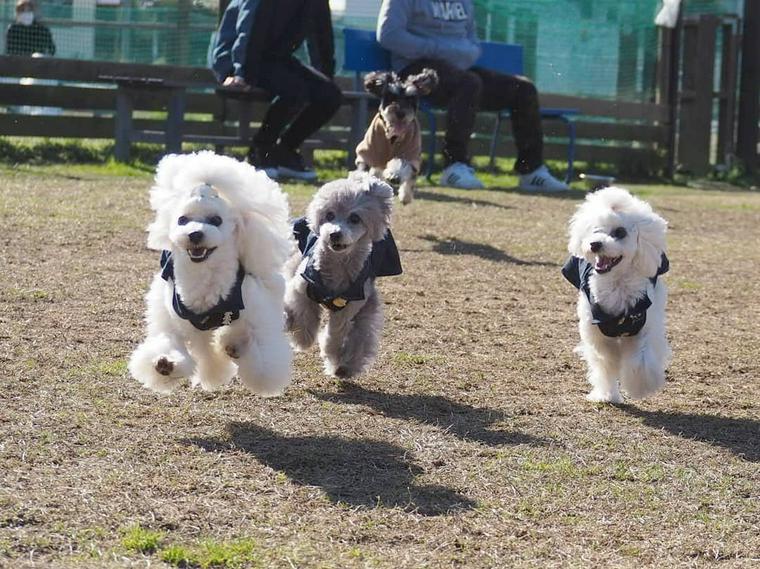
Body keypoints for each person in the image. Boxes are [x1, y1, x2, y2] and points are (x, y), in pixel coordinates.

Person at [377, 0, 569, 191]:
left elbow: (472, 44)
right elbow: (389, 35)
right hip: (414, 74)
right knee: (468, 83)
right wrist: (439, 49)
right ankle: (454, 166)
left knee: (523, 89)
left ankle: (532, 171)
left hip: (459, 70)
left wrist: (458, 54)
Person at [211, 0, 342, 182]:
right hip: (235, 58)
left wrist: (325, 77)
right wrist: (240, 73)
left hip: (276, 59)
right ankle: (260, 151)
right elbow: (249, 28)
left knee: (330, 95)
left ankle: (285, 151)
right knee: (295, 90)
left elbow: (321, 35)